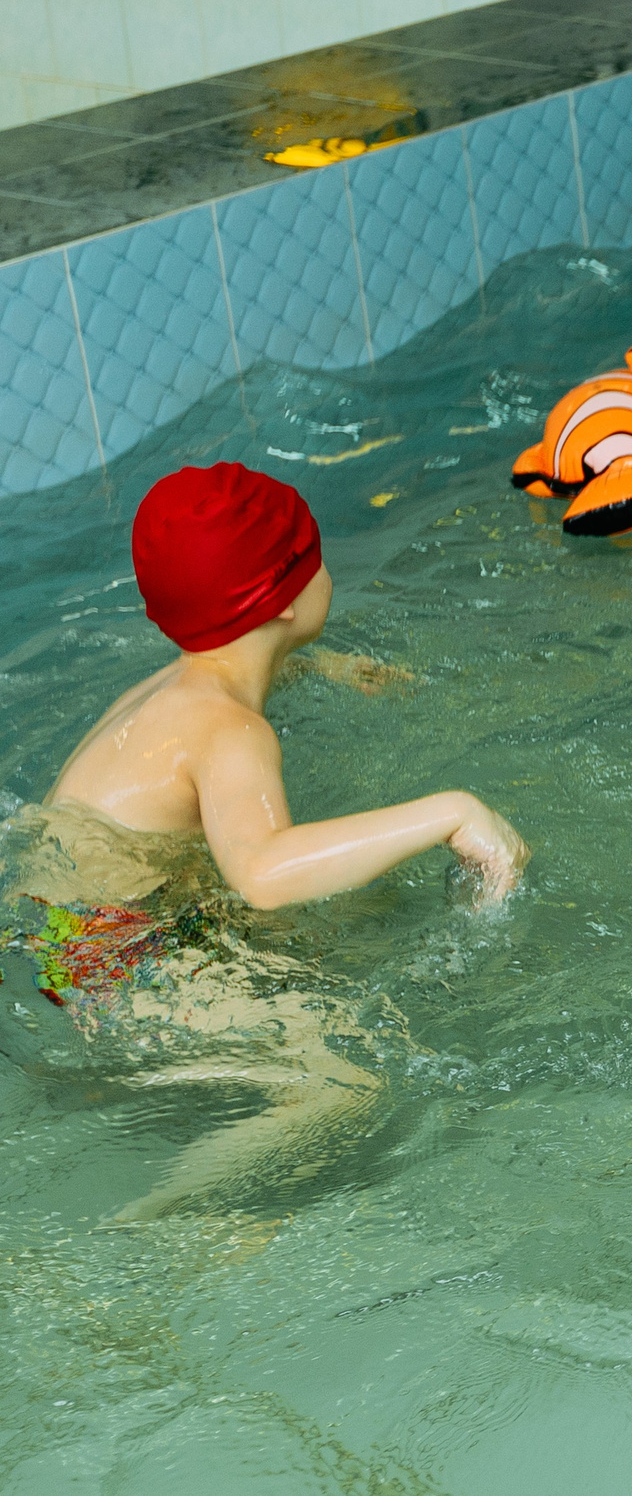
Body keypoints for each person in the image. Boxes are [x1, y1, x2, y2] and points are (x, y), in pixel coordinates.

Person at [6, 462, 526, 1218]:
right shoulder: (230, 732)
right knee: (348, 1082)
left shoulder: (180, 692)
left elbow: (233, 681)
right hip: (109, 969)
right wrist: (449, 813)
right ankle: (163, 1227)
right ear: (284, 598)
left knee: (339, 939)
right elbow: (261, 872)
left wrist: (319, 666)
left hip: (58, 930)